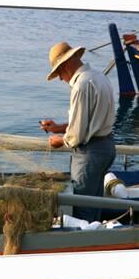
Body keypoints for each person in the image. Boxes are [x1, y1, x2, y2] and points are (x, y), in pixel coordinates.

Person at [40, 41, 116, 222]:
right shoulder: (99, 77)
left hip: (89, 155)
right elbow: (90, 121)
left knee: (83, 210)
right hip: (106, 147)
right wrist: (57, 127)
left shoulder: (81, 86)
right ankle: (98, 236)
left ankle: (87, 244)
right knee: (95, 202)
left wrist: (60, 140)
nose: (60, 78)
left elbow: (76, 136)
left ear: (65, 66)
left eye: (58, 73)